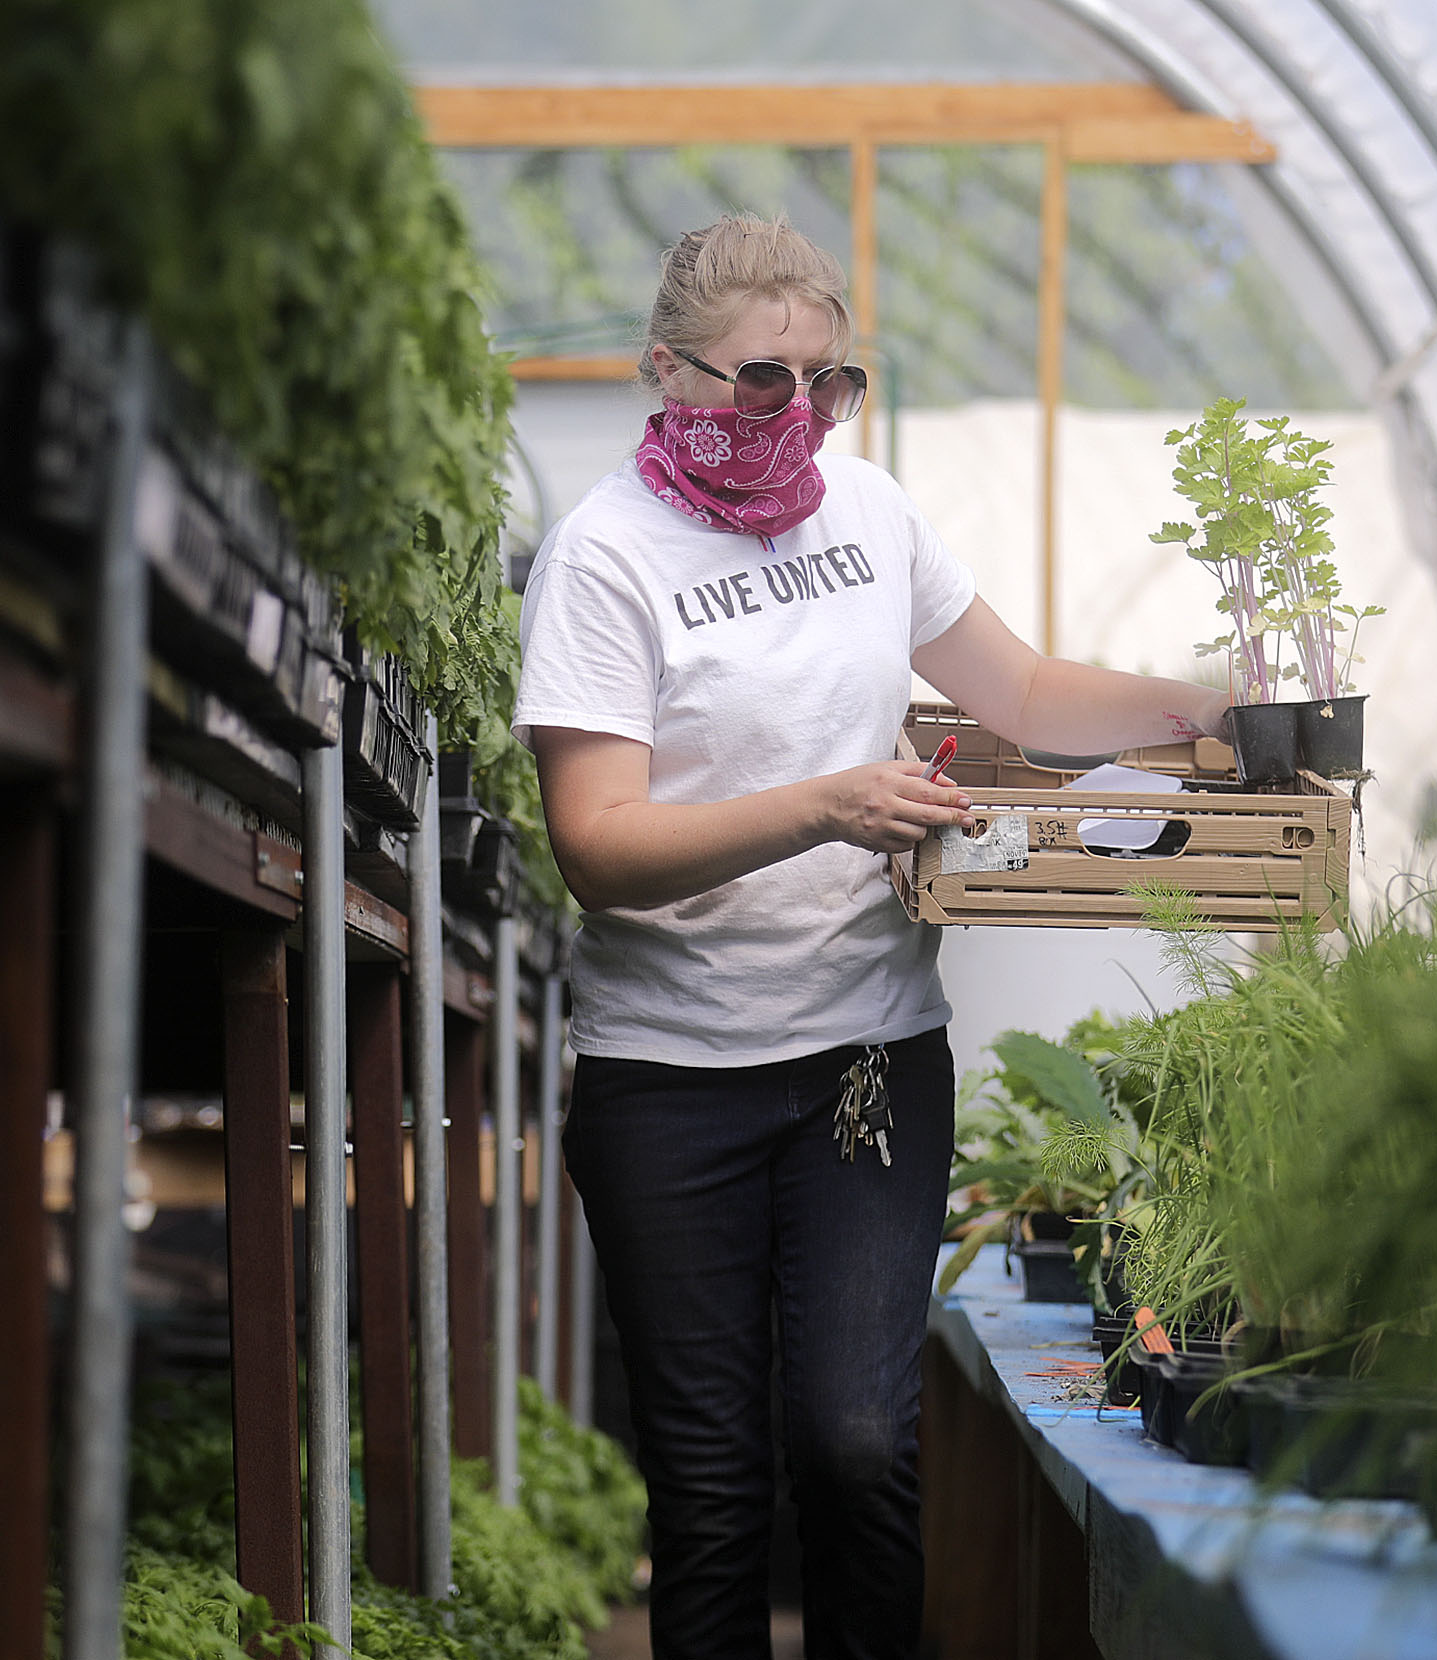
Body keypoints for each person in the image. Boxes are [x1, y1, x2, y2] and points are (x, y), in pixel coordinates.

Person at [512, 213, 1229, 1660]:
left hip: (864, 1067)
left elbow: (1021, 692)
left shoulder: (871, 515)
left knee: (853, 1445)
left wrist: (1207, 704)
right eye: (762, 382)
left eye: (828, 383)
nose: (800, 416)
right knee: (713, 1496)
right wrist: (825, 805)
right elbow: (597, 844)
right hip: (670, 1081)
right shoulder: (603, 560)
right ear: (669, 374)